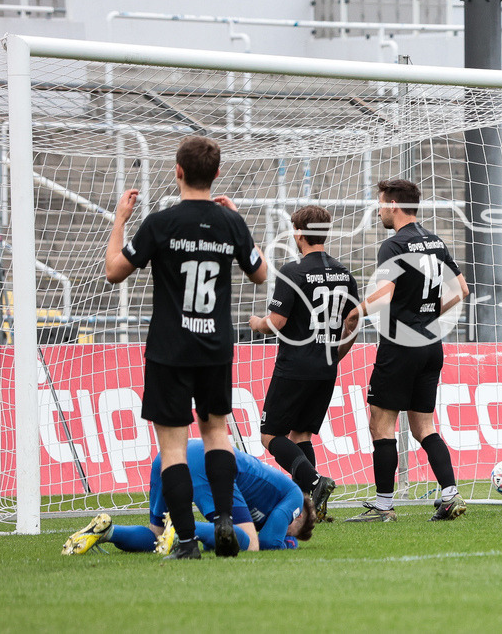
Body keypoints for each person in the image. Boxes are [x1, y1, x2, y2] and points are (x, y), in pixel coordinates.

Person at [104, 136, 268, 559]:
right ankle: (226, 521)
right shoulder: (230, 223)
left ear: (177, 171)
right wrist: (239, 221)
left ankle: (187, 542)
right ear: (217, 174)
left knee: (173, 449)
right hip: (215, 349)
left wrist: (121, 218)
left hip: (169, 350)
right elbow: (261, 274)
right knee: (217, 434)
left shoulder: (161, 222)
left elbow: (113, 273)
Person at [346, 179, 469, 522]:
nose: (380, 210)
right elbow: (461, 289)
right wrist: (427, 317)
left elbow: (383, 295)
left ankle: (384, 506)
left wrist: (355, 311)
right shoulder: (435, 241)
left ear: (394, 205)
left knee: (380, 425)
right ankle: (449, 494)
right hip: (430, 344)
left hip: (400, 345)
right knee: (424, 426)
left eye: (381, 204)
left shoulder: (394, 244)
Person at [248, 205, 360, 521]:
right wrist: (336, 356)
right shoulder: (344, 273)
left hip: (295, 366)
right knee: (301, 436)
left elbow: (277, 322)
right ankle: (314, 507)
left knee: (271, 436)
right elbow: (353, 322)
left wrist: (257, 322)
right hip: (326, 366)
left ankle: (315, 482)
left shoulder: (293, 271)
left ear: (298, 234)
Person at [62, 440, 315, 557]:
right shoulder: (293, 495)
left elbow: (215, 542)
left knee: (156, 536)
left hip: (169, 456)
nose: (286, 532)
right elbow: (270, 540)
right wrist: (288, 544)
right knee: (249, 544)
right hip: (209, 463)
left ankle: (107, 531)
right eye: (292, 531)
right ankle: (185, 528)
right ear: (299, 514)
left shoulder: (265, 499)